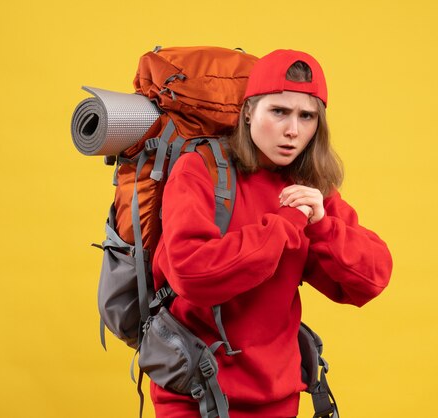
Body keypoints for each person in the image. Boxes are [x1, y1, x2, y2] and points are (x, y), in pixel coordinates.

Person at [150, 49, 393, 418]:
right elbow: (192, 273)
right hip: (195, 395)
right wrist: (286, 223)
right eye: (279, 112)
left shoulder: (307, 187)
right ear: (249, 111)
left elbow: (372, 278)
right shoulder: (199, 171)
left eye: (306, 116)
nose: (293, 130)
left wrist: (323, 225)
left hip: (279, 397)